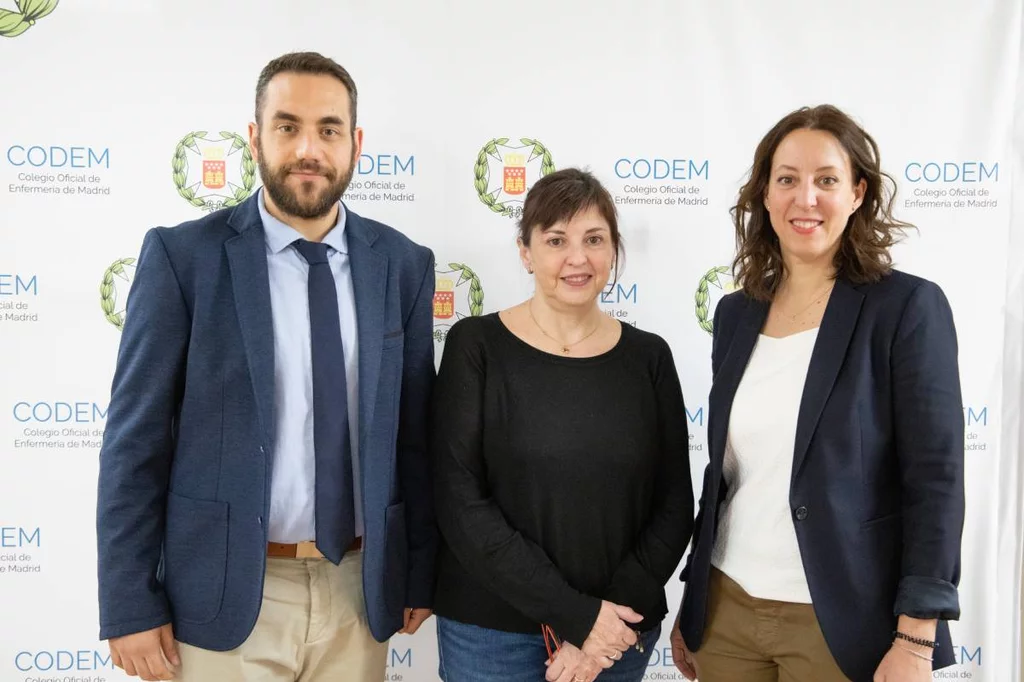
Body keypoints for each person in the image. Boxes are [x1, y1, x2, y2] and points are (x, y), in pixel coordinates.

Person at [95, 51, 437, 682]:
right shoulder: (183, 258)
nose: (309, 147)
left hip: (359, 593)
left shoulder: (403, 265)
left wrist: (419, 568)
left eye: (329, 129)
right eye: (287, 126)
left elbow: (413, 437)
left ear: (355, 144)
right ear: (254, 137)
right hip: (225, 593)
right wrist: (128, 603)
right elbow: (133, 444)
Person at [670, 104, 965, 682]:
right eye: (787, 179)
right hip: (728, 612)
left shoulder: (905, 308)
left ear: (857, 193)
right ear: (764, 194)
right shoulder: (735, 314)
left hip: (845, 621)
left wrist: (916, 636)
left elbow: (936, 478)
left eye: (826, 180)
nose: (806, 198)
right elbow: (727, 475)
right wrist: (693, 601)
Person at [430, 167, 694, 682]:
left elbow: (675, 505)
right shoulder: (476, 347)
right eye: (556, 240)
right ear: (526, 252)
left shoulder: (649, 357)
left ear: (613, 249)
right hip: (492, 635)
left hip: (619, 633)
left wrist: (603, 624)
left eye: (594, 239)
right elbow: (460, 503)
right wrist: (577, 616)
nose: (578, 258)